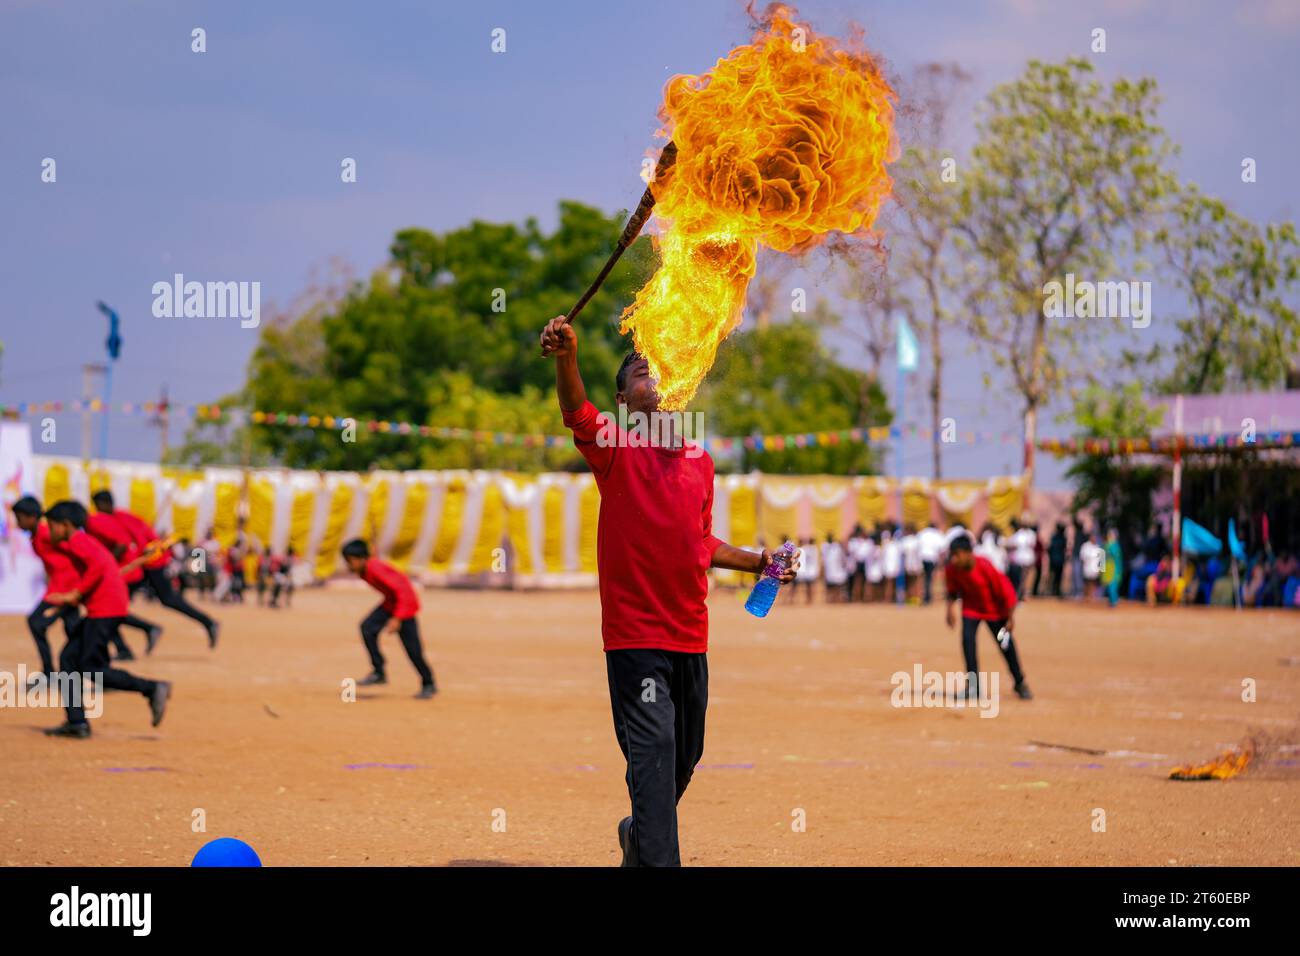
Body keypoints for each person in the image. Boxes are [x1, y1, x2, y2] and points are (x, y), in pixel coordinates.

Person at [541, 315, 798, 868]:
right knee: (654, 754)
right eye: (638, 370)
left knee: (683, 758)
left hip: (691, 638)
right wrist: (567, 356)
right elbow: (575, 412)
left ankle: (638, 834)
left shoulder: (700, 464)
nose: (651, 374)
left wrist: (759, 562)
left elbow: (700, 541)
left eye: (658, 369)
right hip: (636, 641)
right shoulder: (614, 447)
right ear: (622, 400)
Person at [41, 500, 171, 738]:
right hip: (105, 607)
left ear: (66, 525)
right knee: (68, 658)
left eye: (52, 526)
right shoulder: (84, 541)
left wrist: (76, 593)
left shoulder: (77, 541)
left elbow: (99, 566)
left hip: (105, 610)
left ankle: (152, 688)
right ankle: (77, 722)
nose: (50, 531)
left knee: (91, 668)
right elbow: (108, 568)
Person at [91, 491, 218, 649]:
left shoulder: (122, 518)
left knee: (164, 600)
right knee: (111, 606)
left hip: (152, 563)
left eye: (98, 506)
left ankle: (207, 622)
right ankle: (128, 644)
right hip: (142, 565)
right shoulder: (120, 517)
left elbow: (140, 542)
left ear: (104, 504)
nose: (97, 510)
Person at [341, 539, 437, 698]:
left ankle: (429, 683)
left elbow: (405, 590)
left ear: (360, 558)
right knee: (367, 627)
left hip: (404, 606)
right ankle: (379, 672)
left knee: (413, 650)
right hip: (390, 604)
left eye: (350, 561)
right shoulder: (366, 569)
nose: (348, 565)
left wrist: (397, 618)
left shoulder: (375, 568)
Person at [943, 534, 1032, 701]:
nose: (954, 559)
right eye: (952, 555)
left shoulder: (984, 566)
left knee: (1005, 644)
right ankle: (973, 687)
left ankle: (1020, 682)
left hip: (995, 613)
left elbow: (1007, 592)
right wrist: (949, 611)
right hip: (972, 610)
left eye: (957, 555)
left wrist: (1010, 619)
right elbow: (952, 592)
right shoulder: (952, 569)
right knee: (967, 642)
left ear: (968, 553)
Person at [11, 496, 83, 683]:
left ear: (32, 517)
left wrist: (78, 584)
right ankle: (94, 671)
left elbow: (73, 548)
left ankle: (51, 672)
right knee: (73, 629)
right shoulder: (37, 536)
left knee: (36, 622)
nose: (18, 522)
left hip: (65, 588)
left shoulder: (46, 533)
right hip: (58, 587)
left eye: (20, 518)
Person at [1006, 518, 1037, 600]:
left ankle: (1024, 593)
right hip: (1020, 558)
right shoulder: (1019, 534)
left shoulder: (1031, 534)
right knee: (1021, 577)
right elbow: (1014, 544)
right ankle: (1020, 594)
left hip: (1028, 558)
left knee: (1026, 577)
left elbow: (1032, 545)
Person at [917, 523, 945, 605]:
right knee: (929, 578)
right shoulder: (937, 534)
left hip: (922, 557)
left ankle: (925, 596)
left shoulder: (922, 532)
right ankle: (928, 597)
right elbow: (942, 547)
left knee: (924, 578)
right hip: (932, 558)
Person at [822, 533, 848, 603]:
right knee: (830, 587)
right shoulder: (824, 546)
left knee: (838, 586)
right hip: (829, 570)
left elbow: (843, 559)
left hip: (837, 569)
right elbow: (823, 559)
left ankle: (838, 599)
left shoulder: (837, 547)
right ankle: (830, 600)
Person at [1102, 528, 1124, 608]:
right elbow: (1102, 556)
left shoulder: (1115, 546)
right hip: (1107, 569)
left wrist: (1119, 570)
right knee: (1108, 586)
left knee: (1113, 586)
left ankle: (1114, 602)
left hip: (1114, 569)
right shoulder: (1106, 545)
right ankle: (1111, 601)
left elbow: (1118, 559)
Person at [794, 536, 819, 604]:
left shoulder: (806, 549)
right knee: (809, 586)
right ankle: (810, 599)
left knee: (807, 586)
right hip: (811, 570)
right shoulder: (815, 549)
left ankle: (808, 599)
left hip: (808, 570)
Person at [1080, 532, 1104, 600]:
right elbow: (1082, 557)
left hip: (1095, 569)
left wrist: (1101, 569)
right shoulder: (1085, 546)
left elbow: (1101, 559)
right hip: (1087, 568)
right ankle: (1086, 597)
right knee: (1087, 583)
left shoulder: (1098, 547)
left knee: (1094, 583)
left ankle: (1092, 597)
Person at [1047, 522, 1068, 597]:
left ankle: (1053, 590)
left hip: (1054, 560)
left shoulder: (1054, 537)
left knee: (1053, 576)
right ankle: (1056, 590)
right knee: (1058, 577)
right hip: (1059, 560)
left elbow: (1049, 549)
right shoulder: (1063, 538)